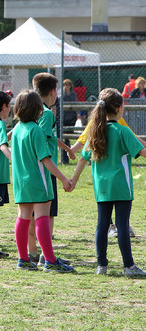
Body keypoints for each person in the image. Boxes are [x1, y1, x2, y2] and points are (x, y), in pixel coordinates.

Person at [70, 89, 146, 277]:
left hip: (102, 187)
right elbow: (143, 152)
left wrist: (74, 179)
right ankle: (129, 266)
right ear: (119, 109)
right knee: (122, 225)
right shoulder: (122, 131)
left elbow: (82, 158)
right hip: (121, 186)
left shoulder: (95, 131)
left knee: (102, 225)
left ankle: (101, 265)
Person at [9, 90, 75, 272]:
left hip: (21, 182)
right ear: (37, 109)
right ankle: (51, 261)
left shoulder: (17, 130)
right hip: (38, 182)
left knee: (23, 217)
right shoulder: (36, 130)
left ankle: (23, 259)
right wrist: (63, 178)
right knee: (42, 218)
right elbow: (45, 159)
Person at [30, 73, 74, 262]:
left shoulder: (31, 111)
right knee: (48, 214)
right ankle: (46, 255)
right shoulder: (47, 113)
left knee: (30, 212)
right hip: (47, 168)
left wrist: (67, 148)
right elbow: (45, 138)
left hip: (32, 168)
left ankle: (31, 252)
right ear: (52, 91)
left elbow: (48, 137)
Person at [0, 91, 11, 258]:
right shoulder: (1, 124)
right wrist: (15, 161)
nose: (10, 109)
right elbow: (2, 146)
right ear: (3, 107)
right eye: (9, 106)